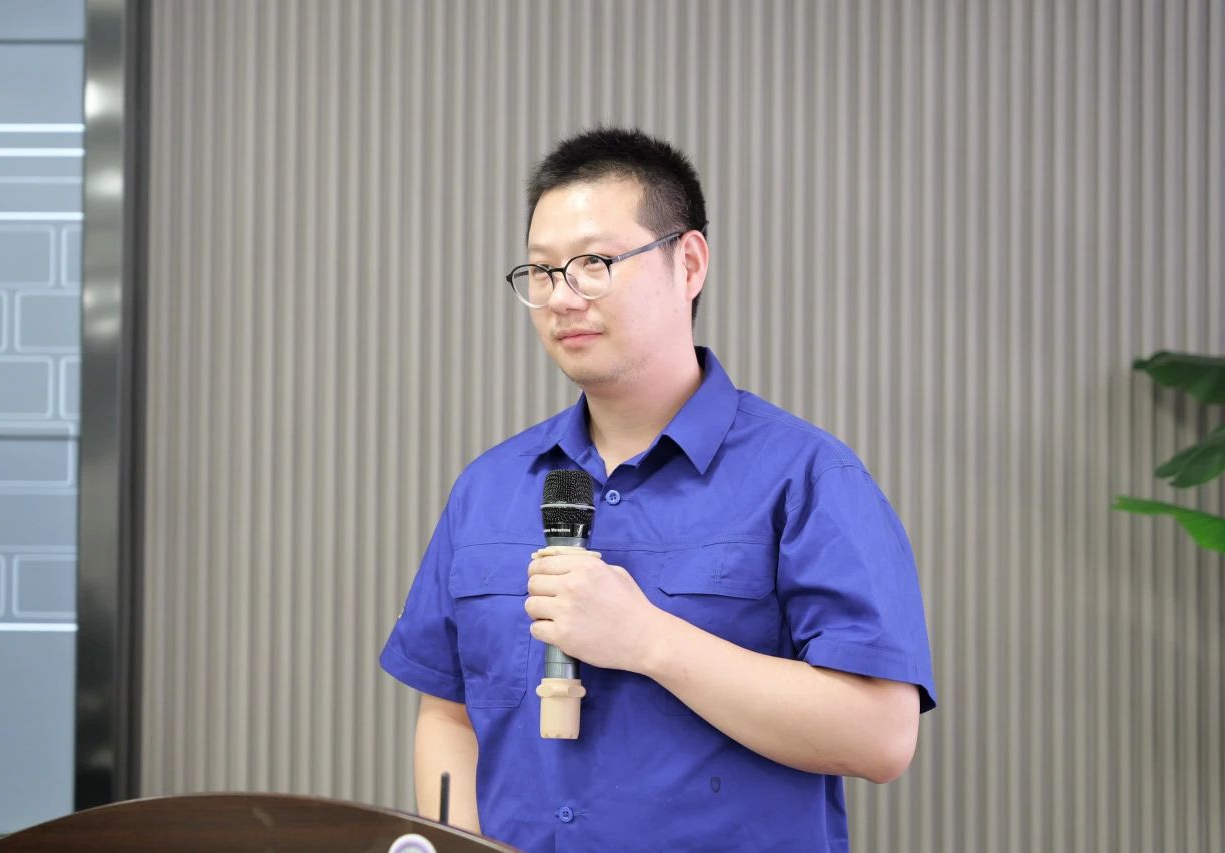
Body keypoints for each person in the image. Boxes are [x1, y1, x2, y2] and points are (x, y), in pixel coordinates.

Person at [380, 127, 936, 852]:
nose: (562, 297)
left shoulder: (807, 477)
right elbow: (449, 712)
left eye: (594, 263)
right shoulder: (488, 488)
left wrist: (647, 639)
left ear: (689, 263)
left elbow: (881, 736)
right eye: (542, 272)